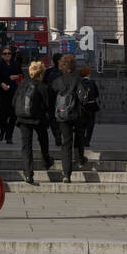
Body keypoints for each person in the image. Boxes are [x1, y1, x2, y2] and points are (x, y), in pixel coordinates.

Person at [14, 60, 54, 183]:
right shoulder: (43, 87)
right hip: (38, 119)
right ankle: (46, 160)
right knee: (43, 138)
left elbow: (14, 101)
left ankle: (28, 174)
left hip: (23, 119)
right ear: (41, 74)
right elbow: (49, 105)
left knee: (26, 146)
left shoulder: (22, 85)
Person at [51, 54, 84, 182]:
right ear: (73, 65)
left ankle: (66, 173)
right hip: (76, 113)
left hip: (62, 114)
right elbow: (82, 97)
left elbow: (52, 93)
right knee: (79, 135)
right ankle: (79, 158)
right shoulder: (77, 79)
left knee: (66, 142)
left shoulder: (57, 81)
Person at [0, 45, 18, 142]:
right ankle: (3, 130)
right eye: (5, 53)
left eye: (9, 53)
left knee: (13, 115)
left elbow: (21, 75)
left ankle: (9, 136)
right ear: (2, 55)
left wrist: (16, 77)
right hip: (3, 93)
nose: (7, 55)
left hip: (13, 92)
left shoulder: (15, 64)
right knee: (3, 116)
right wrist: (1, 84)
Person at [78, 64, 100, 159]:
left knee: (82, 124)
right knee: (90, 124)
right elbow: (96, 94)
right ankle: (87, 141)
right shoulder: (92, 83)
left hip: (82, 107)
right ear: (88, 74)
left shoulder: (79, 83)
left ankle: (81, 140)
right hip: (91, 106)